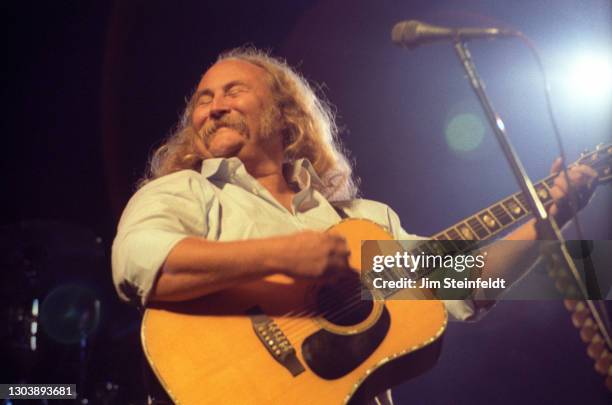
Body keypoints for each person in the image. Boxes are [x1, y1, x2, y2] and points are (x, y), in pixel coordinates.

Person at [111, 47, 598, 404]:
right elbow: (139, 263)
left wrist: (547, 219)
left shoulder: (363, 222)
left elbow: (465, 285)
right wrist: (281, 256)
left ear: (285, 113)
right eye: (202, 98)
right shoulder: (184, 192)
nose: (213, 107)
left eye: (233, 91)